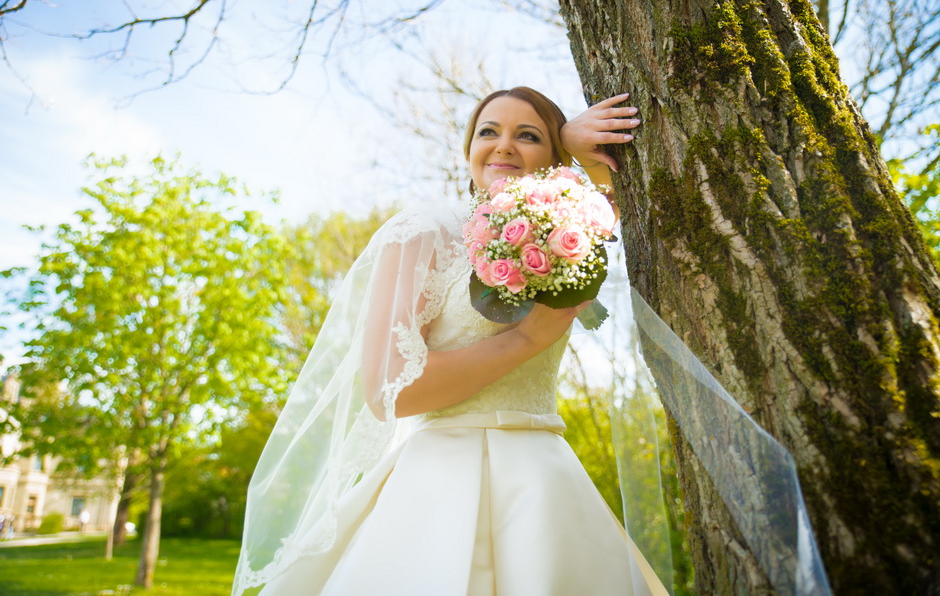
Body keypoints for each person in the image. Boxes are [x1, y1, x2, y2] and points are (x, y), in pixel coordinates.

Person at [232, 87, 832, 596]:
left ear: (552, 158)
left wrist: (572, 145)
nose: (503, 145)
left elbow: (610, 196)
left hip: (544, 481)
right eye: (488, 131)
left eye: (528, 136)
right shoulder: (422, 232)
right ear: (468, 150)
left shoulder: (572, 234)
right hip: (433, 482)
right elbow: (390, 391)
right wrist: (525, 340)